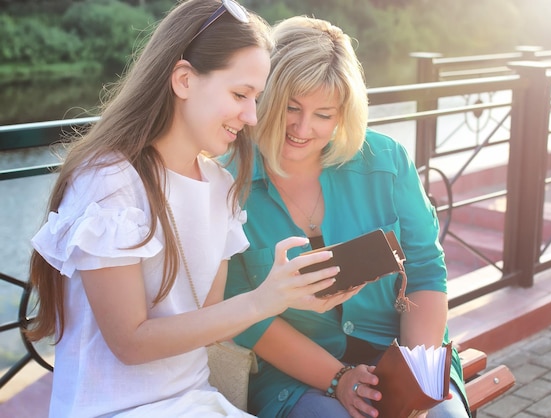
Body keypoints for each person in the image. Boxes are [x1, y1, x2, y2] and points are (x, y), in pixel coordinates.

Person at [25, 2, 344, 417]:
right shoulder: (109, 182)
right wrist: (262, 301)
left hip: (194, 401)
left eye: (257, 98)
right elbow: (130, 343)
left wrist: (287, 296)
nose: (251, 116)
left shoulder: (220, 185)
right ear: (184, 79)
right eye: (239, 94)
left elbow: (208, 323)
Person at [224, 15, 471, 418]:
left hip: (401, 349)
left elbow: (426, 269)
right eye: (290, 107)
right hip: (296, 374)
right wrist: (338, 379)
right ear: (263, 94)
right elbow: (242, 314)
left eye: (324, 114)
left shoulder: (387, 160)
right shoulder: (227, 184)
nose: (303, 129)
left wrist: (415, 378)